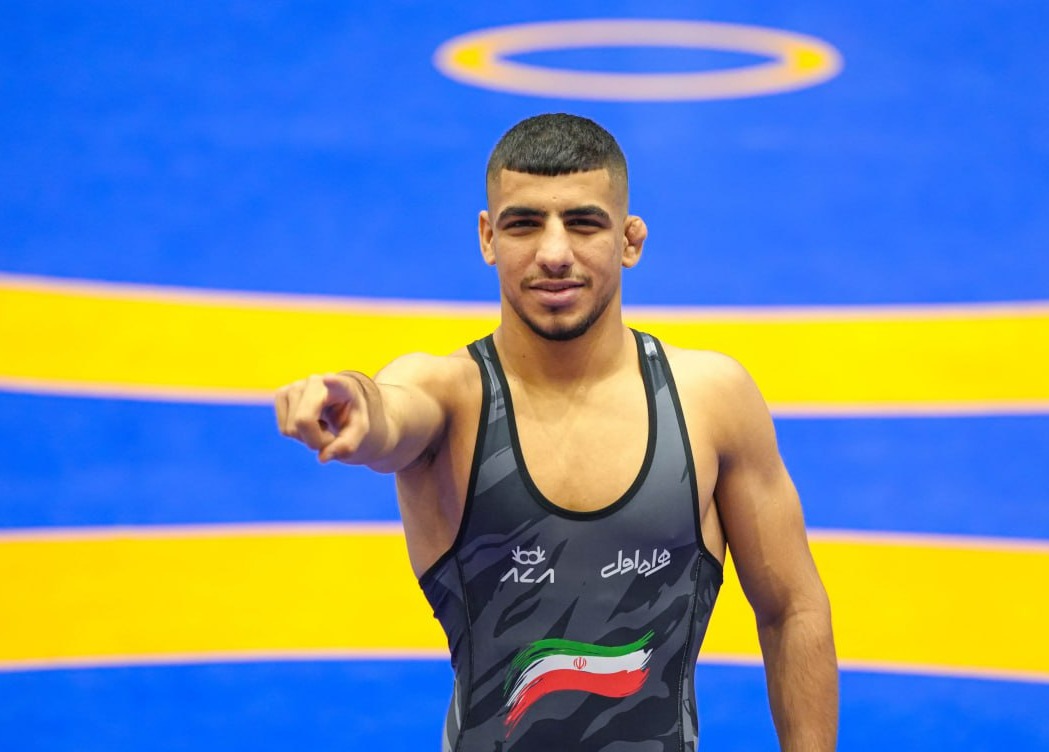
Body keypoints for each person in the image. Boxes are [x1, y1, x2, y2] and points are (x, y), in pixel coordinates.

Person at [275, 113, 837, 751]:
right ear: (488, 237)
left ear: (630, 240)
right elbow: (391, 411)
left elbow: (792, 608)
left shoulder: (710, 400)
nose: (553, 253)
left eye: (583, 222)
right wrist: (355, 401)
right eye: (523, 223)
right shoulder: (450, 396)